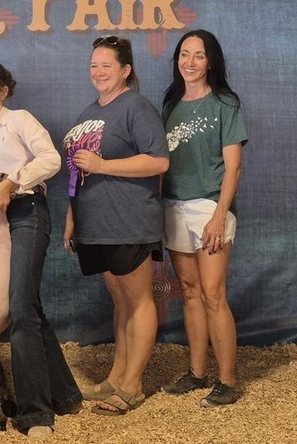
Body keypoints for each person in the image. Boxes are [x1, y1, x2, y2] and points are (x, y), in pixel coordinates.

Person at [0, 62, 82, 438]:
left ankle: (36, 415)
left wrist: (13, 183)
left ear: (3, 90)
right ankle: (65, 396)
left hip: (28, 212)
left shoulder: (19, 120)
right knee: (27, 306)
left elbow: (50, 158)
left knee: (18, 308)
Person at [62, 36, 169, 416]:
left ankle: (134, 386)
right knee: (121, 301)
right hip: (95, 224)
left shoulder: (136, 107)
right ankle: (117, 377)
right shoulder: (88, 111)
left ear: (125, 70)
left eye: (106, 65)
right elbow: (78, 172)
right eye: (94, 65)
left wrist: (105, 165)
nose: (99, 72)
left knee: (138, 301)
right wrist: (72, 217)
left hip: (129, 220)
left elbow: (159, 162)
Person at [159, 29, 248, 407]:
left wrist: (218, 216)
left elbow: (234, 169)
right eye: (184, 54)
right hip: (174, 207)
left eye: (198, 55)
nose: (189, 62)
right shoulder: (170, 103)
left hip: (210, 208)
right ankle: (197, 373)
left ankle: (227, 381)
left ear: (211, 61)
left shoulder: (225, 103)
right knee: (190, 293)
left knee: (213, 295)